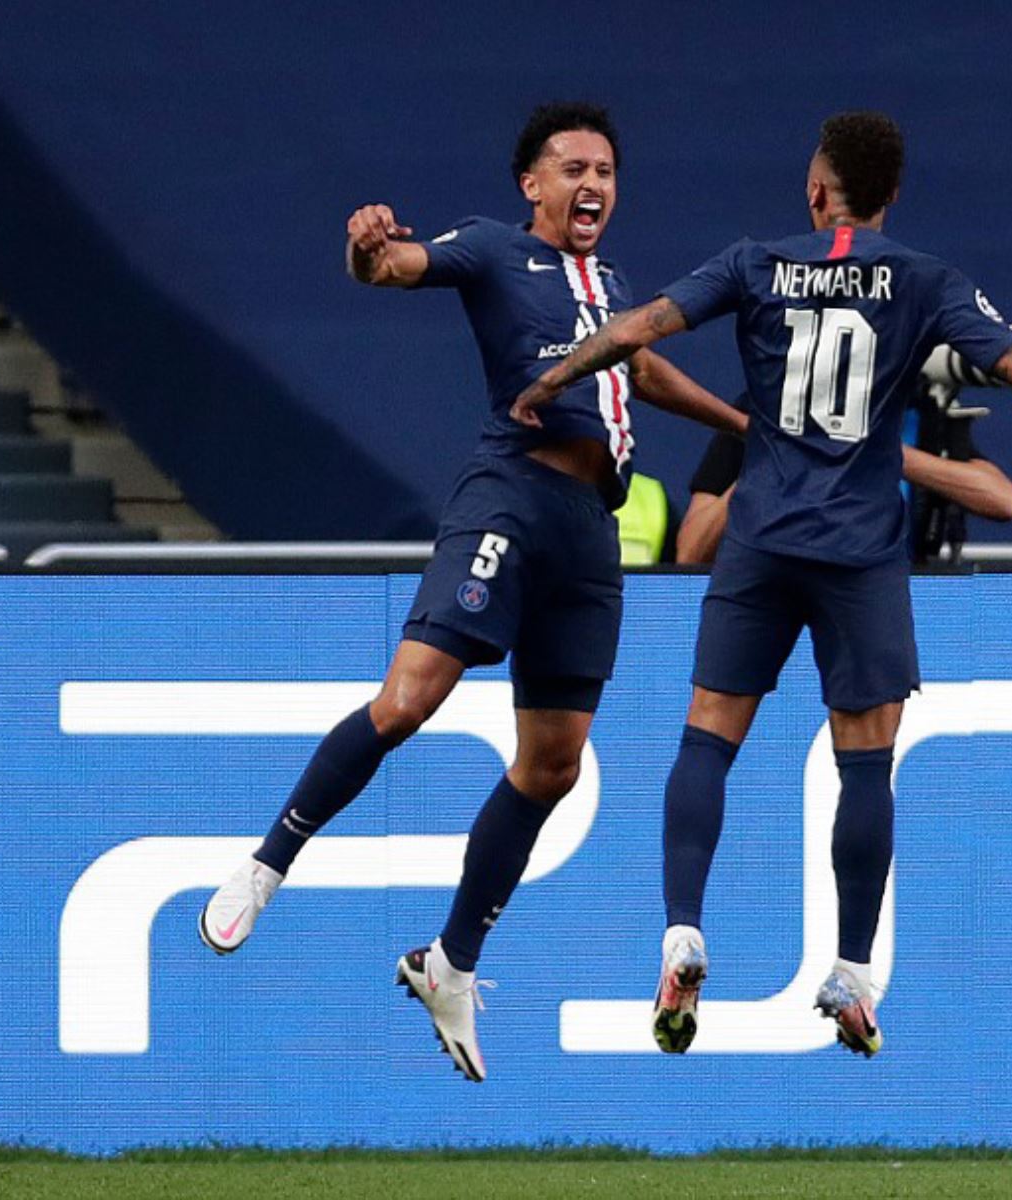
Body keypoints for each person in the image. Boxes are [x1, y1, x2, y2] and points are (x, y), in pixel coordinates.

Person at [511, 111, 1012, 1059]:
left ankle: (682, 929)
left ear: (817, 192)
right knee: (865, 762)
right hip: (860, 556)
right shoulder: (924, 278)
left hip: (762, 539)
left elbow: (641, 327)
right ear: (889, 199)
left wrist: (552, 376)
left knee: (707, 739)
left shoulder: (754, 262)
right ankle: (851, 971)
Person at [198, 102, 743, 1084]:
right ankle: (269, 861)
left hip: (591, 532)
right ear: (531, 185)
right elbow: (400, 267)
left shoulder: (611, 283)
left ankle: (448, 962)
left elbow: (645, 368)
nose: (593, 185)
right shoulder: (496, 250)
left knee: (552, 767)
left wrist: (743, 422)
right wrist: (369, 250)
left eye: (607, 171)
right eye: (573, 168)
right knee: (409, 699)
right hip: (514, 492)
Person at [677, 417, 1012, 565]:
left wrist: (872, 451)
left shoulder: (921, 412)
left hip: (888, 604)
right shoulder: (762, 405)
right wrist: (773, 457)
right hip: (777, 603)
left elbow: (1003, 501)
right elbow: (692, 552)